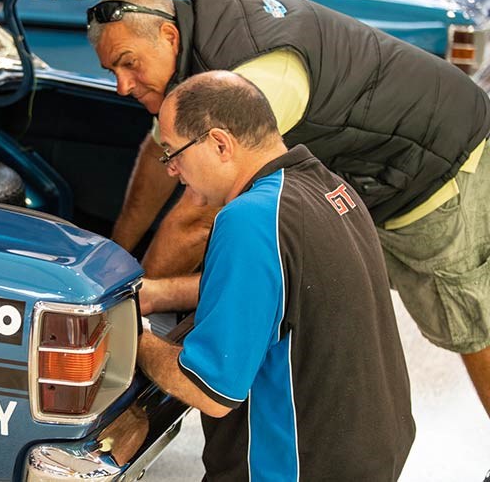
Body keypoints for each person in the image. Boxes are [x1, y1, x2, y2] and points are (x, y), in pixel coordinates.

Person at [86, 0, 490, 416]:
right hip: (374, 171)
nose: (121, 86)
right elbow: (156, 155)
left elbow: (196, 218)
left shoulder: (254, 72)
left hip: (436, 163)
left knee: (467, 322)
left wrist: (125, 305)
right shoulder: (197, 37)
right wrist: (120, 255)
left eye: (128, 65)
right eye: (112, 71)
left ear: (168, 36)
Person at [137, 70, 415, 480]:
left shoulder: (249, 218)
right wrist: (160, 294)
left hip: (295, 467)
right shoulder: (329, 190)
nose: (172, 170)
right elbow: (287, 294)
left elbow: (211, 388)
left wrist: (132, 339)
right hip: (369, 453)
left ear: (219, 143)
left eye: (172, 153)